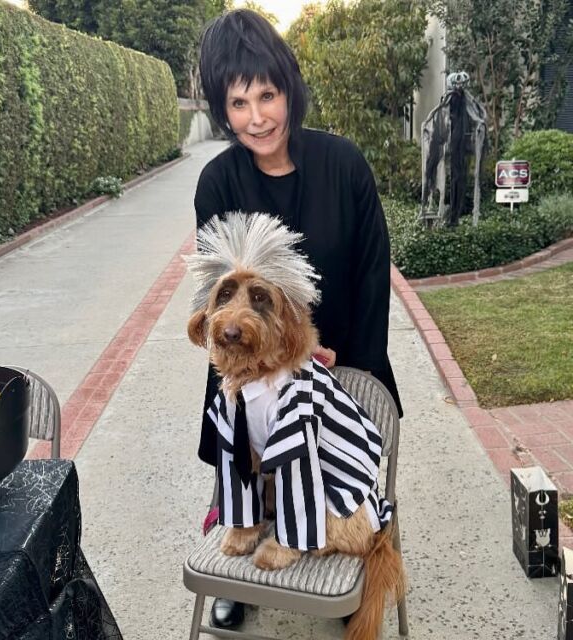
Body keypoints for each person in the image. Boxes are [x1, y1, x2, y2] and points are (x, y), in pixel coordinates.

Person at [193, 8, 403, 630]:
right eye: (237, 102)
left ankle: (346, 547)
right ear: (222, 109)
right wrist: (264, 363)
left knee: (335, 456)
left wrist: (341, 360)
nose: (256, 117)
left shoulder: (345, 165)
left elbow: (371, 277)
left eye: (267, 94)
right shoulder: (217, 181)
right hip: (250, 361)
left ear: (289, 88)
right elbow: (216, 297)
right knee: (240, 435)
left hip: (341, 357)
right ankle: (242, 536)